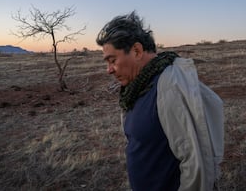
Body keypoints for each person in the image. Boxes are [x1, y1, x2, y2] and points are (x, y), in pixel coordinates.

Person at [96, 11, 224, 191]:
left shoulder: (169, 87)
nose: (108, 70)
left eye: (112, 60)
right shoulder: (136, 88)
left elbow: (195, 162)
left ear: (137, 51)